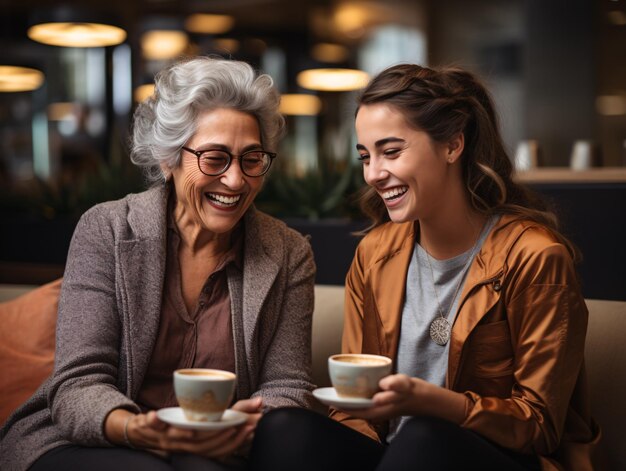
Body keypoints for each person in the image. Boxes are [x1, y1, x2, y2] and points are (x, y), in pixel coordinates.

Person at [249, 64, 600, 470]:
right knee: (283, 427)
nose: (374, 174)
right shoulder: (375, 253)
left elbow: (540, 427)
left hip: (499, 459)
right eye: (366, 156)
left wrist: (437, 404)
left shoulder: (536, 256)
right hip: (398, 458)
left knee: (424, 436)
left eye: (391, 151)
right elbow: (354, 405)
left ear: (452, 145)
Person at [0, 56, 316, 471]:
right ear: (168, 159)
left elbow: (288, 387)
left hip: (218, 448)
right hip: (93, 438)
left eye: (251, 159)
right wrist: (137, 429)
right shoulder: (108, 230)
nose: (236, 180)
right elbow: (79, 384)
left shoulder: (288, 252)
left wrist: (235, 428)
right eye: (215, 158)